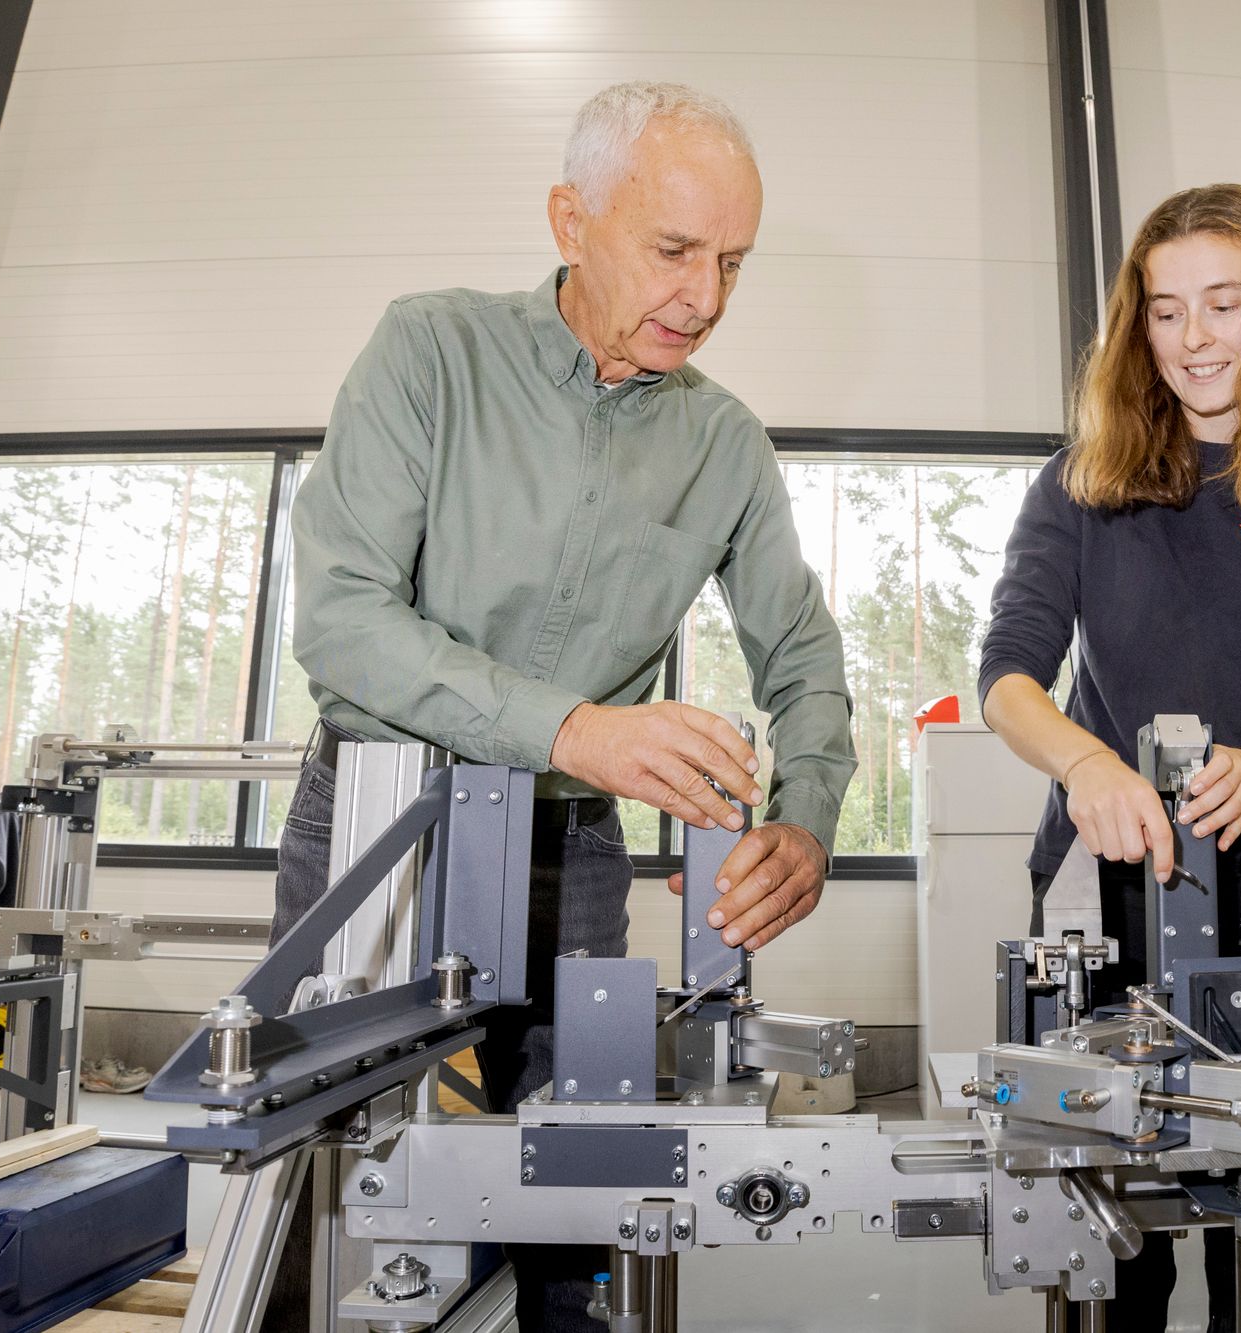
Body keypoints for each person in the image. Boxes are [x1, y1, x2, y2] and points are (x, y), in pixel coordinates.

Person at [275, 81, 855, 1330]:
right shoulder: (430, 350)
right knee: (315, 1155)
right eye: (673, 250)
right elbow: (340, 619)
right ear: (569, 218)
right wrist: (580, 729)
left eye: (733, 262)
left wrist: (805, 816)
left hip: (572, 852)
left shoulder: (726, 447)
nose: (704, 296)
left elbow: (802, 656)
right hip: (376, 815)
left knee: (577, 1172)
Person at [977, 182, 1241, 1333]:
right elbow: (1007, 678)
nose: (1192, 339)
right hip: (1100, 887)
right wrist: (1085, 767)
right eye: (1164, 311)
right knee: (1118, 1253)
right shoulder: (1081, 483)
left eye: (1222, 305)